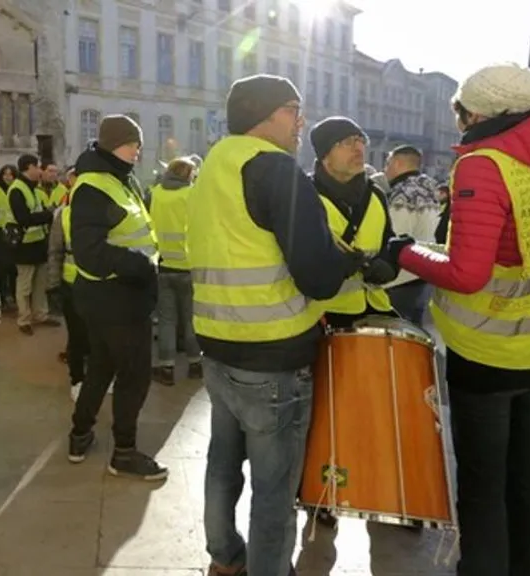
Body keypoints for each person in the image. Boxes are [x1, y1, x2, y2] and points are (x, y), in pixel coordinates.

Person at [387, 63, 530, 576]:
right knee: (526, 478)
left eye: (459, 111)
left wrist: (406, 251)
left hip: (490, 352)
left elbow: (465, 273)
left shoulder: (484, 163)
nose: (459, 122)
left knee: (483, 482)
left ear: (479, 111)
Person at [190, 74, 363, 576]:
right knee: (274, 486)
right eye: (293, 109)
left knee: (223, 464)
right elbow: (318, 276)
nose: (300, 121)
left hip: (218, 348)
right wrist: (350, 261)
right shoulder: (276, 170)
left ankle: (224, 557)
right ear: (265, 115)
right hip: (273, 356)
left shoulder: (215, 165)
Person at [65, 115, 164, 480]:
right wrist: (140, 265)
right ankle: (123, 451)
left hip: (113, 297)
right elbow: (90, 251)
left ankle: (80, 434)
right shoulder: (95, 186)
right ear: (113, 144)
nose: (138, 149)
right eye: (132, 142)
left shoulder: (117, 179)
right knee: (134, 376)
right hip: (116, 298)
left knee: (103, 367)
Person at [306, 117, 398, 330]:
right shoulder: (305, 195)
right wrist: (336, 267)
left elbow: (387, 241)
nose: (358, 149)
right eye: (347, 142)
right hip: (324, 316)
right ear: (325, 155)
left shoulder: (376, 194)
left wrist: (389, 264)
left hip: (376, 308)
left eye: (360, 140)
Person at [148, 156, 202, 386]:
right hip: (190, 267)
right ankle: (195, 364)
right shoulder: (192, 194)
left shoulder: (156, 193)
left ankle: (166, 368)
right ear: (188, 174)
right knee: (191, 319)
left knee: (167, 320)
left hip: (163, 264)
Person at [383, 145, 441, 324]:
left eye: (388, 164)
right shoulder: (431, 191)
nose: (386, 170)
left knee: (398, 334)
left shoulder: (402, 193)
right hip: (425, 272)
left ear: (398, 163)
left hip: (400, 278)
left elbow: (395, 237)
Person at [4, 154, 58, 334]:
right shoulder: (17, 189)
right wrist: (50, 214)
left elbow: (36, 212)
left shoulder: (34, 189)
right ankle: (24, 319)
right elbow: (24, 219)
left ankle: (40, 314)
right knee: (25, 285)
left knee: (40, 283)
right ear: (29, 168)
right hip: (23, 244)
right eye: (38, 167)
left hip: (38, 242)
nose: (41, 170)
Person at [46, 184, 89, 401]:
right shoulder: (63, 216)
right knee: (77, 335)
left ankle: (100, 376)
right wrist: (53, 284)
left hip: (100, 285)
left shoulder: (101, 213)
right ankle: (77, 378)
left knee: (100, 335)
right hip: (71, 285)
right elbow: (55, 252)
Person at [0, 165, 18, 310]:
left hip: (14, 231)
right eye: (5, 174)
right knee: (0, 267)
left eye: (11, 174)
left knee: (14, 268)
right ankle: (1, 297)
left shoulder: (18, 189)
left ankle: (14, 296)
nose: (8, 177)